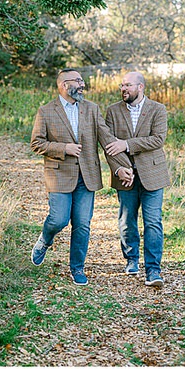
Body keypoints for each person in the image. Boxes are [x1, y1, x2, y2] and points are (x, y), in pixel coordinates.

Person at [30, 68, 132, 285]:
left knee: (82, 224)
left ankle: (77, 268)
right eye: (77, 81)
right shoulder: (46, 111)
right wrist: (63, 148)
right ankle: (45, 240)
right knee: (58, 220)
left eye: (82, 80)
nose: (82, 84)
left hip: (87, 176)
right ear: (64, 85)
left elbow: (107, 141)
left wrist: (121, 167)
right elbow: (36, 144)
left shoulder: (92, 109)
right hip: (59, 176)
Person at [103, 71, 168, 288]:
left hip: (153, 174)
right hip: (125, 175)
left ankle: (153, 270)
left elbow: (157, 140)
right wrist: (119, 169)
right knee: (126, 220)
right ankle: (131, 258)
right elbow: (108, 145)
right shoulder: (112, 111)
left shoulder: (158, 109)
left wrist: (127, 144)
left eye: (128, 85)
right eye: (122, 85)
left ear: (140, 87)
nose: (124, 89)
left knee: (153, 222)